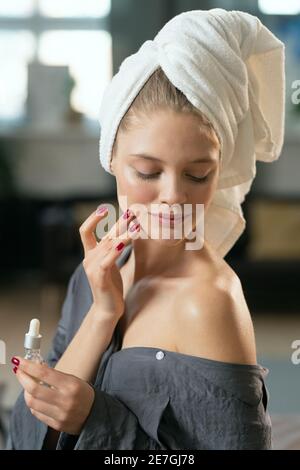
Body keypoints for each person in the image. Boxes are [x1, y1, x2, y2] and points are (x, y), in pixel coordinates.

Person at [6, 8, 285, 450]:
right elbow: (26, 435)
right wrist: (101, 314)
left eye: (197, 175)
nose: (173, 197)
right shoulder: (99, 272)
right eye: (147, 171)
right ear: (112, 157)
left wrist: (98, 421)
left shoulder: (208, 302)